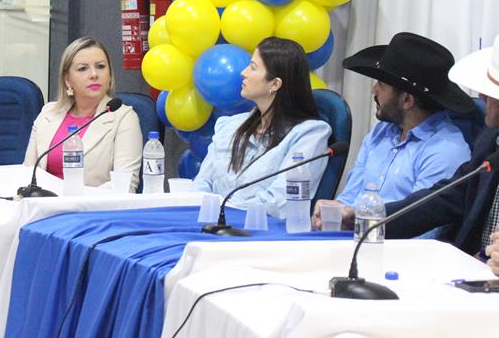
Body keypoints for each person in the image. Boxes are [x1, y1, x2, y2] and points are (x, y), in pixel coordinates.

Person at [358, 34, 498, 276]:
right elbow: (444, 198)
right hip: (471, 274)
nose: (482, 97)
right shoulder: (490, 141)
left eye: (491, 92)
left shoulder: (449, 146)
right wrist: (373, 221)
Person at [312, 33, 473, 229]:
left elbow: (423, 228)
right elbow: (350, 198)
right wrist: (332, 211)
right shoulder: (381, 133)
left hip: (400, 253)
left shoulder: (446, 149)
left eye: (381, 85)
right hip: (355, 242)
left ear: (407, 100)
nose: (373, 90)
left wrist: (353, 224)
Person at [192, 37, 332, 218]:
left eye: (253, 67)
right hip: (208, 225)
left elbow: (281, 202)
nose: (243, 72)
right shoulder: (230, 126)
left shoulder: (309, 134)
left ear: (274, 84)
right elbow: (202, 183)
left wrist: (224, 213)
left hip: (260, 233)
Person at [24, 36, 142, 190]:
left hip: (91, 210)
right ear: (67, 80)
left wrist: (72, 200)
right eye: (82, 68)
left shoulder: (124, 117)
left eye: (100, 66)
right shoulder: (48, 113)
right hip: (43, 207)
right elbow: (26, 173)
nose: (94, 74)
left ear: (110, 74)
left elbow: (125, 185)